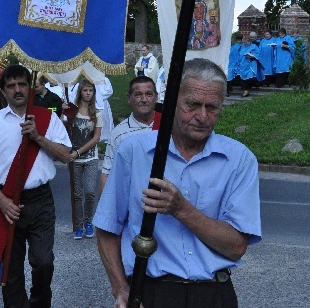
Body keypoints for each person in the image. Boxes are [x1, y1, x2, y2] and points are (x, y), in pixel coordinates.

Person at [94, 58, 261, 308]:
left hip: (213, 294)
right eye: (192, 105)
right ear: (172, 99)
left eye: (212, 107)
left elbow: (236, 247)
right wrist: (120, 288)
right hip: (151, 292)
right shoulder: (134, 151)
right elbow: (107, 227)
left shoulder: (239, 159)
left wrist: (181, 209)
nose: (202, 116)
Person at [0, 64, 71, 307]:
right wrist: (1, 201)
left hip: (41, 200)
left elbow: (66, 155)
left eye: (22, 84)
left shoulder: (47, 119)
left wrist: (38, 137)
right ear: (3, 91)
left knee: (43, 263)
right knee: (11, 270)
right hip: (8, 201)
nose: (17, 90)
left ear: (30, 87)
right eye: (11, 86)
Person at [99, 76, 158, 198]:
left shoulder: (170, 127)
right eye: (138, 95)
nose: (144, 99)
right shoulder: (119, 133)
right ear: (129, 98)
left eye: (149, 94)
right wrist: (104, 213)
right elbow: (107, 174)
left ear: (156, 97)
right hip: (133, 202)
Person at [67, 79, 102, 240]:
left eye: (91, 90)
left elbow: (96, 138)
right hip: (73, 158)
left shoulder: (97, 113)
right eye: (85, 90)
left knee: (89, 192)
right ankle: (78, 225)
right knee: (77, 194)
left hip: (90, 157)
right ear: (80, 92)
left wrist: (79, 152)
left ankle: (88, 222)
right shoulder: (72, 111)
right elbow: (64, 128)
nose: (88, 93)